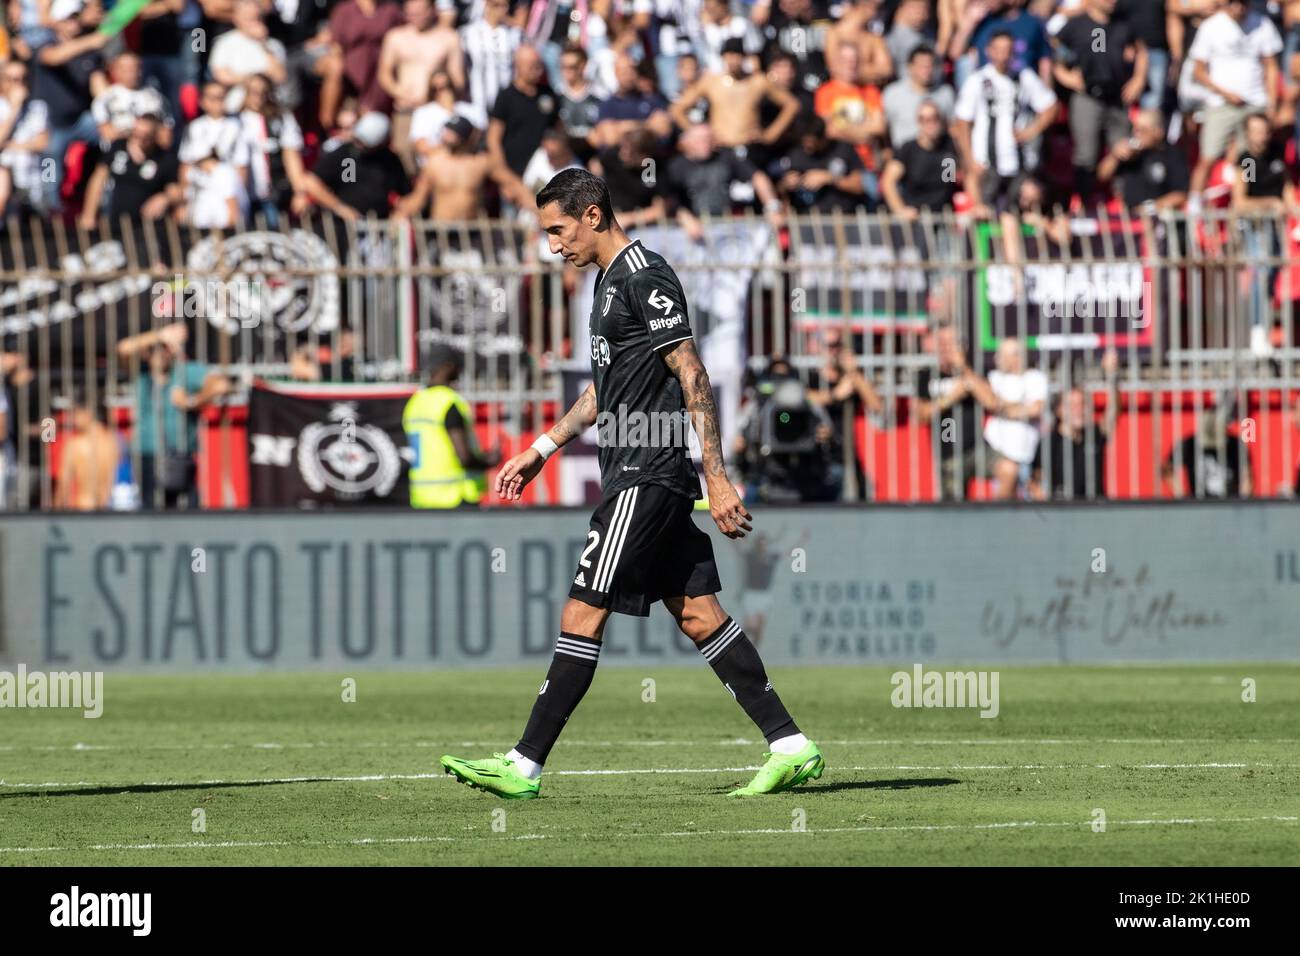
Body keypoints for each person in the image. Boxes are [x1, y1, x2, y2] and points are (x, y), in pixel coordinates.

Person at [440, 168, 823, 799]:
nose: (552, 244)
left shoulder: (644, 273)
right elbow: (604, 390)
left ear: (592, 215)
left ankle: (524, 763)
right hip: (642, 473)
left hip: (646, 474)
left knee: (582, 610)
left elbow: (691, 370)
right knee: (700, 616)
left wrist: (718, 478)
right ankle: (790, 744)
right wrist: (542, 447)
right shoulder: (606, 284)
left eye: (557, 229)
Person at [403, 344, 499, 508]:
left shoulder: (415, 402)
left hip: (422, 497)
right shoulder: (448, 402)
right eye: (457, 365)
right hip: (454, 497)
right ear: (447, 366)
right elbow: (464, 457)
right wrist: (489, 461)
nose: (459, 370)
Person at [53, 390, 121, 510]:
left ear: (87, 413)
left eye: (75, 413)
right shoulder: (114, 442)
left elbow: (63, 485)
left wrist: (54, 514)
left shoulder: (74, 445)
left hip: (83, 508)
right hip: (109, 509)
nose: (72, 418)